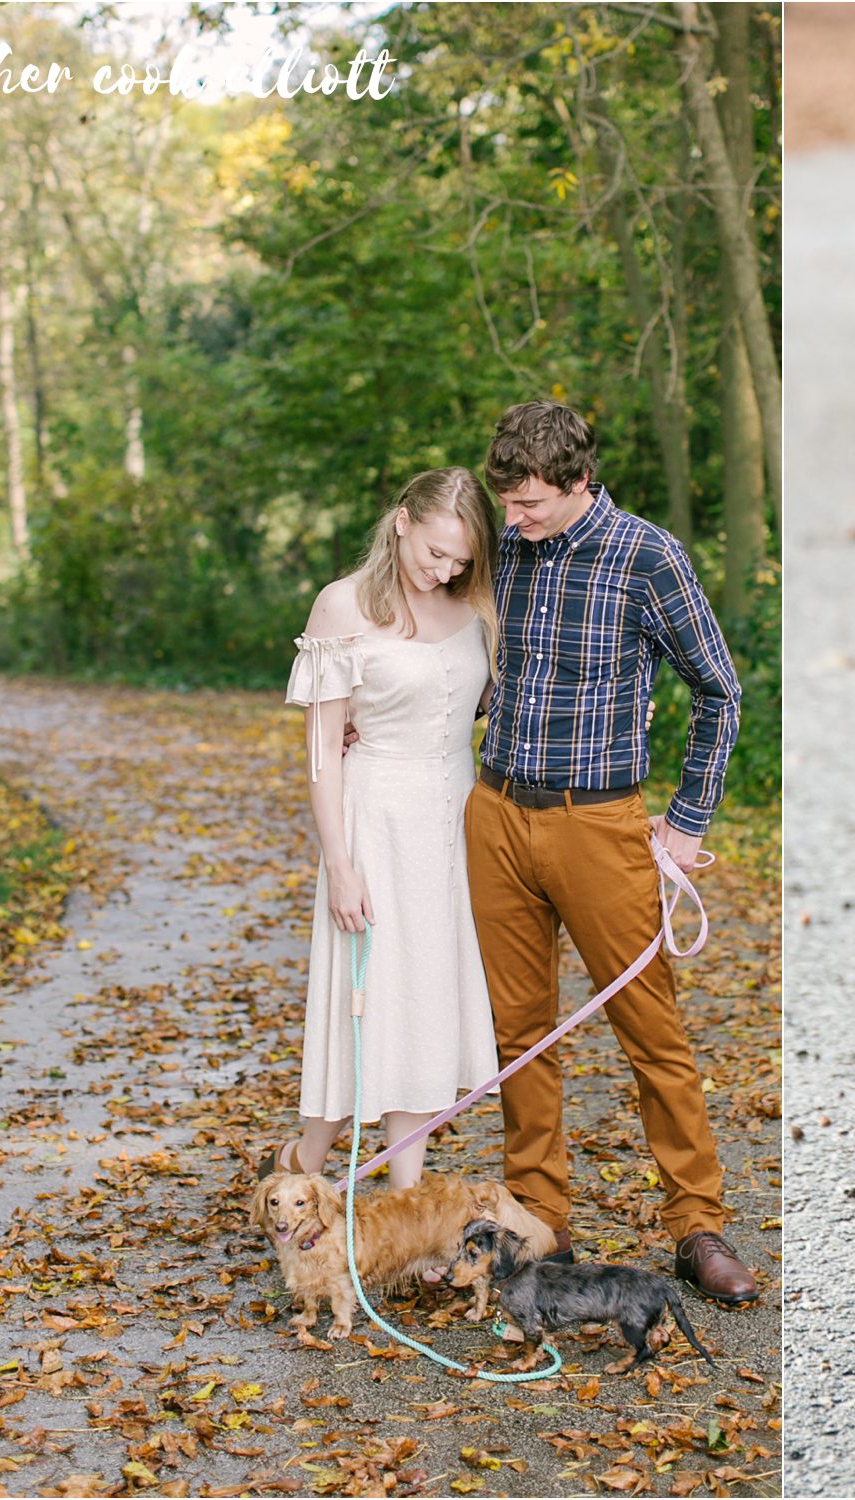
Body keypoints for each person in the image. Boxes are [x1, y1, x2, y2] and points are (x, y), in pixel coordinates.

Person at [466, 399, 759, 1304]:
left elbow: (720, 691)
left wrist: (688, 821)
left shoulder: (647, 556)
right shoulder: (505, 546)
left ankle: (696, 1227)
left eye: (529, 505)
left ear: (577, 481)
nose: (512, 521)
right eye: (506, 502)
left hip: (599, 826)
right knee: (520, 1036)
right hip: (497, 816)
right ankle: (538, 1221)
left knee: (650, 1031)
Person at [270, 468, 501, 1192]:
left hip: (455, 818)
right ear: (402, 521)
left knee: (424, 998)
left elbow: (486, 705)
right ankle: (304, 1162)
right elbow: (321, 753)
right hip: (373, 819)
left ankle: (407, 1201)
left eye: (461, 560)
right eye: (436, 552)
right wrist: (339, 862)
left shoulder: (480, 605)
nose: (446, 570)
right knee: (362, 996)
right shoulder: (342, 607)